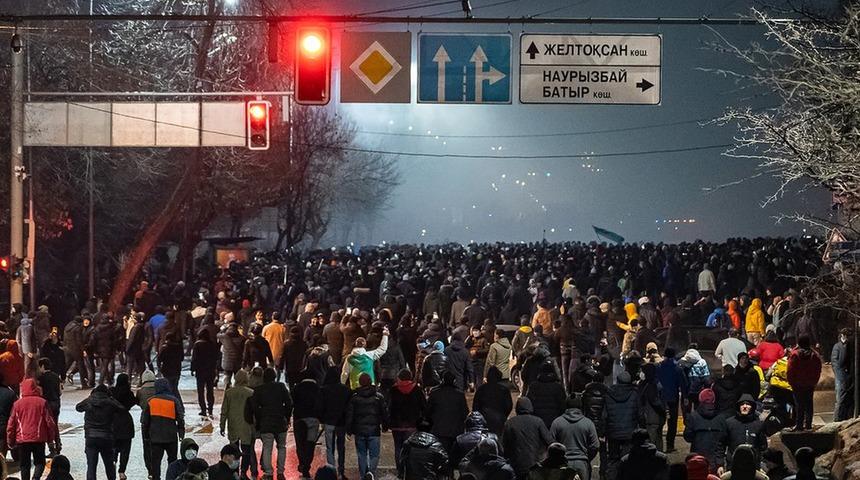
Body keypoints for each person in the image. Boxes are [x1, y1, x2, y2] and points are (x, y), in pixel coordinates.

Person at [7, 378, 58, 480]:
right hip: (39, 438)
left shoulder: (17, 404)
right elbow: (50, 423)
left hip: (22, 439)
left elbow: (11, 424)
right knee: (40, 462)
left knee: (24, 465)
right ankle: (36, 477)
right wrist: (50, 439)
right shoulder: (42, 402)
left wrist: (10, 440)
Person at [247, 367, 292, 480]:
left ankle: (268, 473)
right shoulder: (281, 387)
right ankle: (281, 472)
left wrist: (260, 418)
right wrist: (287, 417)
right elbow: (289, 403)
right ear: (274, 376)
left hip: (266, 423)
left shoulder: (259, 389)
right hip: (280, 422)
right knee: (282, 447)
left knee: (267, 447)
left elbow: (255, 407)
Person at [76, 383, 123, 480]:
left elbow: (78, 407)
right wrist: (111, 399)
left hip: (91, 437)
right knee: (109, 465)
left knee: (91, 466)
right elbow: (122, 409)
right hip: (106, 438)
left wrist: (89, 398)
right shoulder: (110, 402)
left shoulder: (89, 401)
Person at [345, 373, 388, 479]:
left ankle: (363, 475)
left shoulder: (354, 398)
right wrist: (385, 426)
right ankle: (371, 473)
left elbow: (350, 415)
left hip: (359, 431)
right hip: (374, 430)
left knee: (361, 455)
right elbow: (384, 413)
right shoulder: (378, 397)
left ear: (360, 382)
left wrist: (349, 430)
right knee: (374, 454)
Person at [142, 378, 186, 480]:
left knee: (156, 462)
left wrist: (146, 436)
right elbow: (180, 417)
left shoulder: (151, 401)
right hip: (171, 437)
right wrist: (181, 433)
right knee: (172, 461)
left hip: (155, 438)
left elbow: (145, 422)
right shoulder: (174, 400)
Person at [549, 396, 599, 480]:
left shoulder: (557, 422)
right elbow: (595, 445)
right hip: (582, 463)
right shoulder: (588, 423)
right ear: (580, 406)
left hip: (563, 464)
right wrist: (586, 457)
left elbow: (551, 444)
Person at [219, 369, 256, 480]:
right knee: (246, 451)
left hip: (233, 425)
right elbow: (254, 412)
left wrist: (222, 425)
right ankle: (244, 472)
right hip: (246, 426)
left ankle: (234, 472)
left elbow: (224, 410)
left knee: (233, 451)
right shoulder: (250, 392)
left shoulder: (229, 392)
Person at [503, 396, 553, 480]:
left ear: (517, 408)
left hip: (516, 466)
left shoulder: (509, 423)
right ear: (530, 407)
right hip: (534, 465)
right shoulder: (538, 421)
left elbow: (504, 446)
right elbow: (550, 442)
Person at [389, 369, 426, 477]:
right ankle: (409, 471)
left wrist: (387, 422)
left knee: (398, 447)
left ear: (399, 378)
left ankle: (400, 471)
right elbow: (424, 407)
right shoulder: (417, 390)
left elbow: (389, 407)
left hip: (396, 425)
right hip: (412, 425)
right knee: (410, 449)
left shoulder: (393, 390)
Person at [605, 371, 640, 480]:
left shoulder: (609, 393)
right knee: (628, 459)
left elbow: (604, 415)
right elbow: (639, 413)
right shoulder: (634, 393)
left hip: (613, 431)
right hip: (629, 432)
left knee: (613, 459)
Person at [719, 394, 767, 471]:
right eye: (742, 404)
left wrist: (762, 464)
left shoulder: (758, 424)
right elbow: (721, 445)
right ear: (738, 406)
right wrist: (720, 464)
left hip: (753, 467)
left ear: (752, 407)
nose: (744, 406)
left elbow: (763, 446)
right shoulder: (729, 423)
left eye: (748, 404)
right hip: (733, 466)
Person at [426, 371, 469, 452]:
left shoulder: (435, 393)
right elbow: (465, 413)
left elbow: (427, 412)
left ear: (442, 380)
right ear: (454, 381)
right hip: (456, 431)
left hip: (438, 429)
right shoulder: (459, 394)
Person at [320, 366, 351, 479]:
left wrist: (321, 419)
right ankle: (341, 469)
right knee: (341, 446)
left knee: (330, 447)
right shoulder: (346, 390)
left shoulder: (324, 389)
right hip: (341, 422)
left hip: (329, 422)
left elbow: (321, 406)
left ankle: (331, 469)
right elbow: (349, 408)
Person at [787, 335, 822, 431]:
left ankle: (799, 425)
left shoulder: (795, 355)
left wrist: (791, 382)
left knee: (799, 405)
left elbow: (790, 370)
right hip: (809, 383)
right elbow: (818, 369)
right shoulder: (814, 355)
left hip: (797, 384)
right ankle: (808, 425)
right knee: (809, 404)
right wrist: (814, 381)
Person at [683, 389, 722, 473]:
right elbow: (723, 439)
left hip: (696, 458)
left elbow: (687, 437)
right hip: (714, 460)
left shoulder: (693, 417)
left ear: (700, 399)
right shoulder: (720, 418)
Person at [656, 348, 687, 452]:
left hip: (660, 397)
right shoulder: (678, 368)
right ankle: (670, 445)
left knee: (660, 420)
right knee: (672, 422)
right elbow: (683, 384)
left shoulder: (659, 366)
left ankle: (658, 443)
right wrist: (685, 397)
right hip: (673, 397)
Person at [293, 375, 322, 479]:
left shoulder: (297, 388)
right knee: (310, 445)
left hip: (299, 419)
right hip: (313, 419)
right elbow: (321, 404)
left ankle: (302, 463)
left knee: (300, 444)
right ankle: (306, 466)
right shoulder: (318, 388)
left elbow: (292, 402)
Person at [110, 373, 138, 480]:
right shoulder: (128, 393)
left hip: (114, 422)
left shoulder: (112, 392)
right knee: (125, 450)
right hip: (126, 423)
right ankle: (122, 471)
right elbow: (135, 401)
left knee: (114, 446)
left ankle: (113, 462)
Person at [474, 366, 514, 436]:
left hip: (484, 420)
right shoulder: (504, 390)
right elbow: (509, 406)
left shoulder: (481, 389)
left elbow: (475, 406)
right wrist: (503, 415)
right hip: (499, 419)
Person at [526, 362, 568, 429]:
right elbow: (563, 405)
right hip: (554, 421)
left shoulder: (533, 386)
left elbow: (528, 403)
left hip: (537, 420)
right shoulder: (558, 387)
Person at [36, 358, 61, 453]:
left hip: (47, 404)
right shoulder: (56, 376)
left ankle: (51, 448)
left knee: (47, 426)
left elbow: (40, 392)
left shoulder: (41, 378)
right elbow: (60, 392)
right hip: (56, 402)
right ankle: (58, 443)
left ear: (42, 366)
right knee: (55, 424)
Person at [190, 329, 219, 417]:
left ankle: (203, 409)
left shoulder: (197, 344)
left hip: (200, 370)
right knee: (210, 391)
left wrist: (192, 369)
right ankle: (210, 409)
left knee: (201, 391)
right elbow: (216, 357)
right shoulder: (212, 344)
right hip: (210, 370)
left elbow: (194, 358)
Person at [831, 328, 854, 421]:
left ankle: (846, 418)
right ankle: (837, 420)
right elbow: (837, 363)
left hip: (849, 376)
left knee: (848, 400)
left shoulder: (850, 346)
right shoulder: (838, 346)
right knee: (840, 400)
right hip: (841, 377)